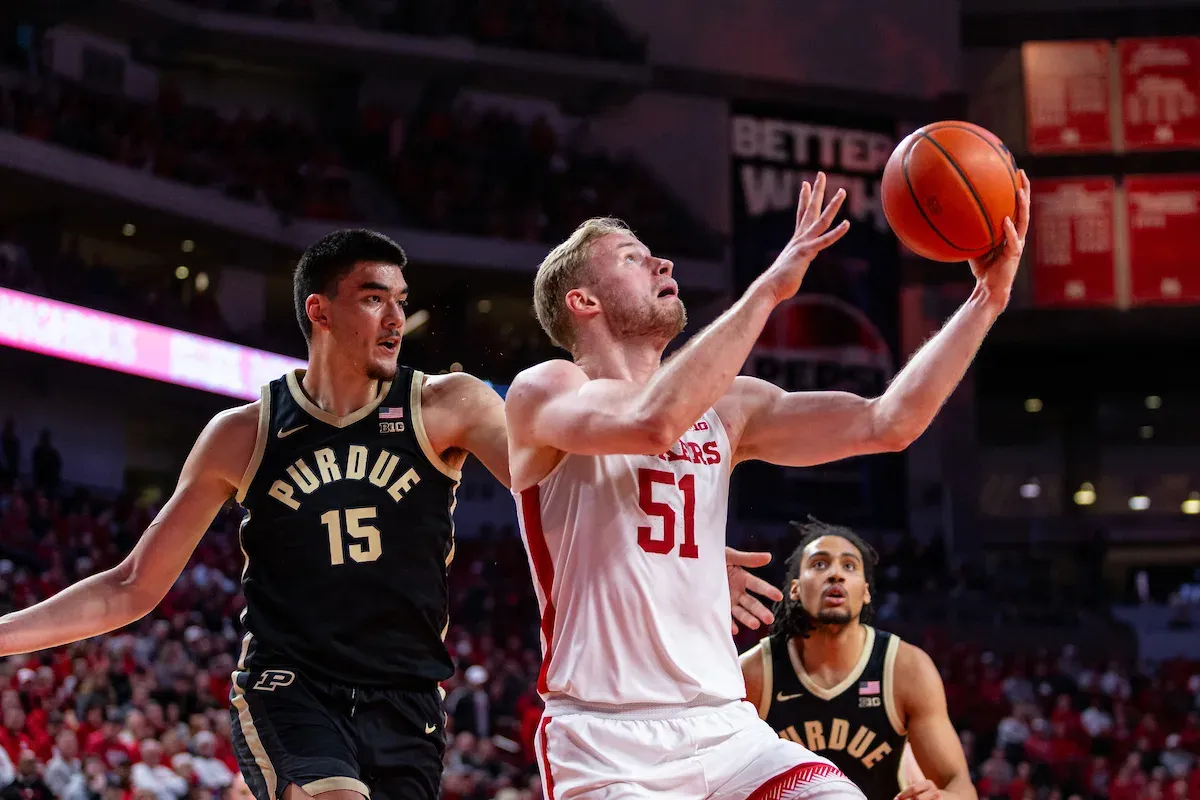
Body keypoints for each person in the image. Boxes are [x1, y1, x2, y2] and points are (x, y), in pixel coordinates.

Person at [0, 229, 777, 800]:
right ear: (322, 311)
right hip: (291, 682)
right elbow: (131, 587)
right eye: (374, 298)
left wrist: (684, 557)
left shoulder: (448, 404)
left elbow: (562, 496)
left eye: (401, 301)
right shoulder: (247, 431)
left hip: (408, 695)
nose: (396, 318)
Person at [506, 170, 1029, 799]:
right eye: (632, 258)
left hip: (727, 729)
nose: (660, 261)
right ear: (583, 301)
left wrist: (986, 300)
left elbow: (887, 422)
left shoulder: (730, 408)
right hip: (607, 738)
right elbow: (651, 422)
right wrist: (770, 289)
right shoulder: (550, 388)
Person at [740, 519, 975, 800]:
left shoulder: (905, 668)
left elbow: (960, 786)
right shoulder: (754, 673)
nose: (835, 574)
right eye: (819, 564)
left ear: (865, 592)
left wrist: (941, 798)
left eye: (849, 566)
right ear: (796, 590)